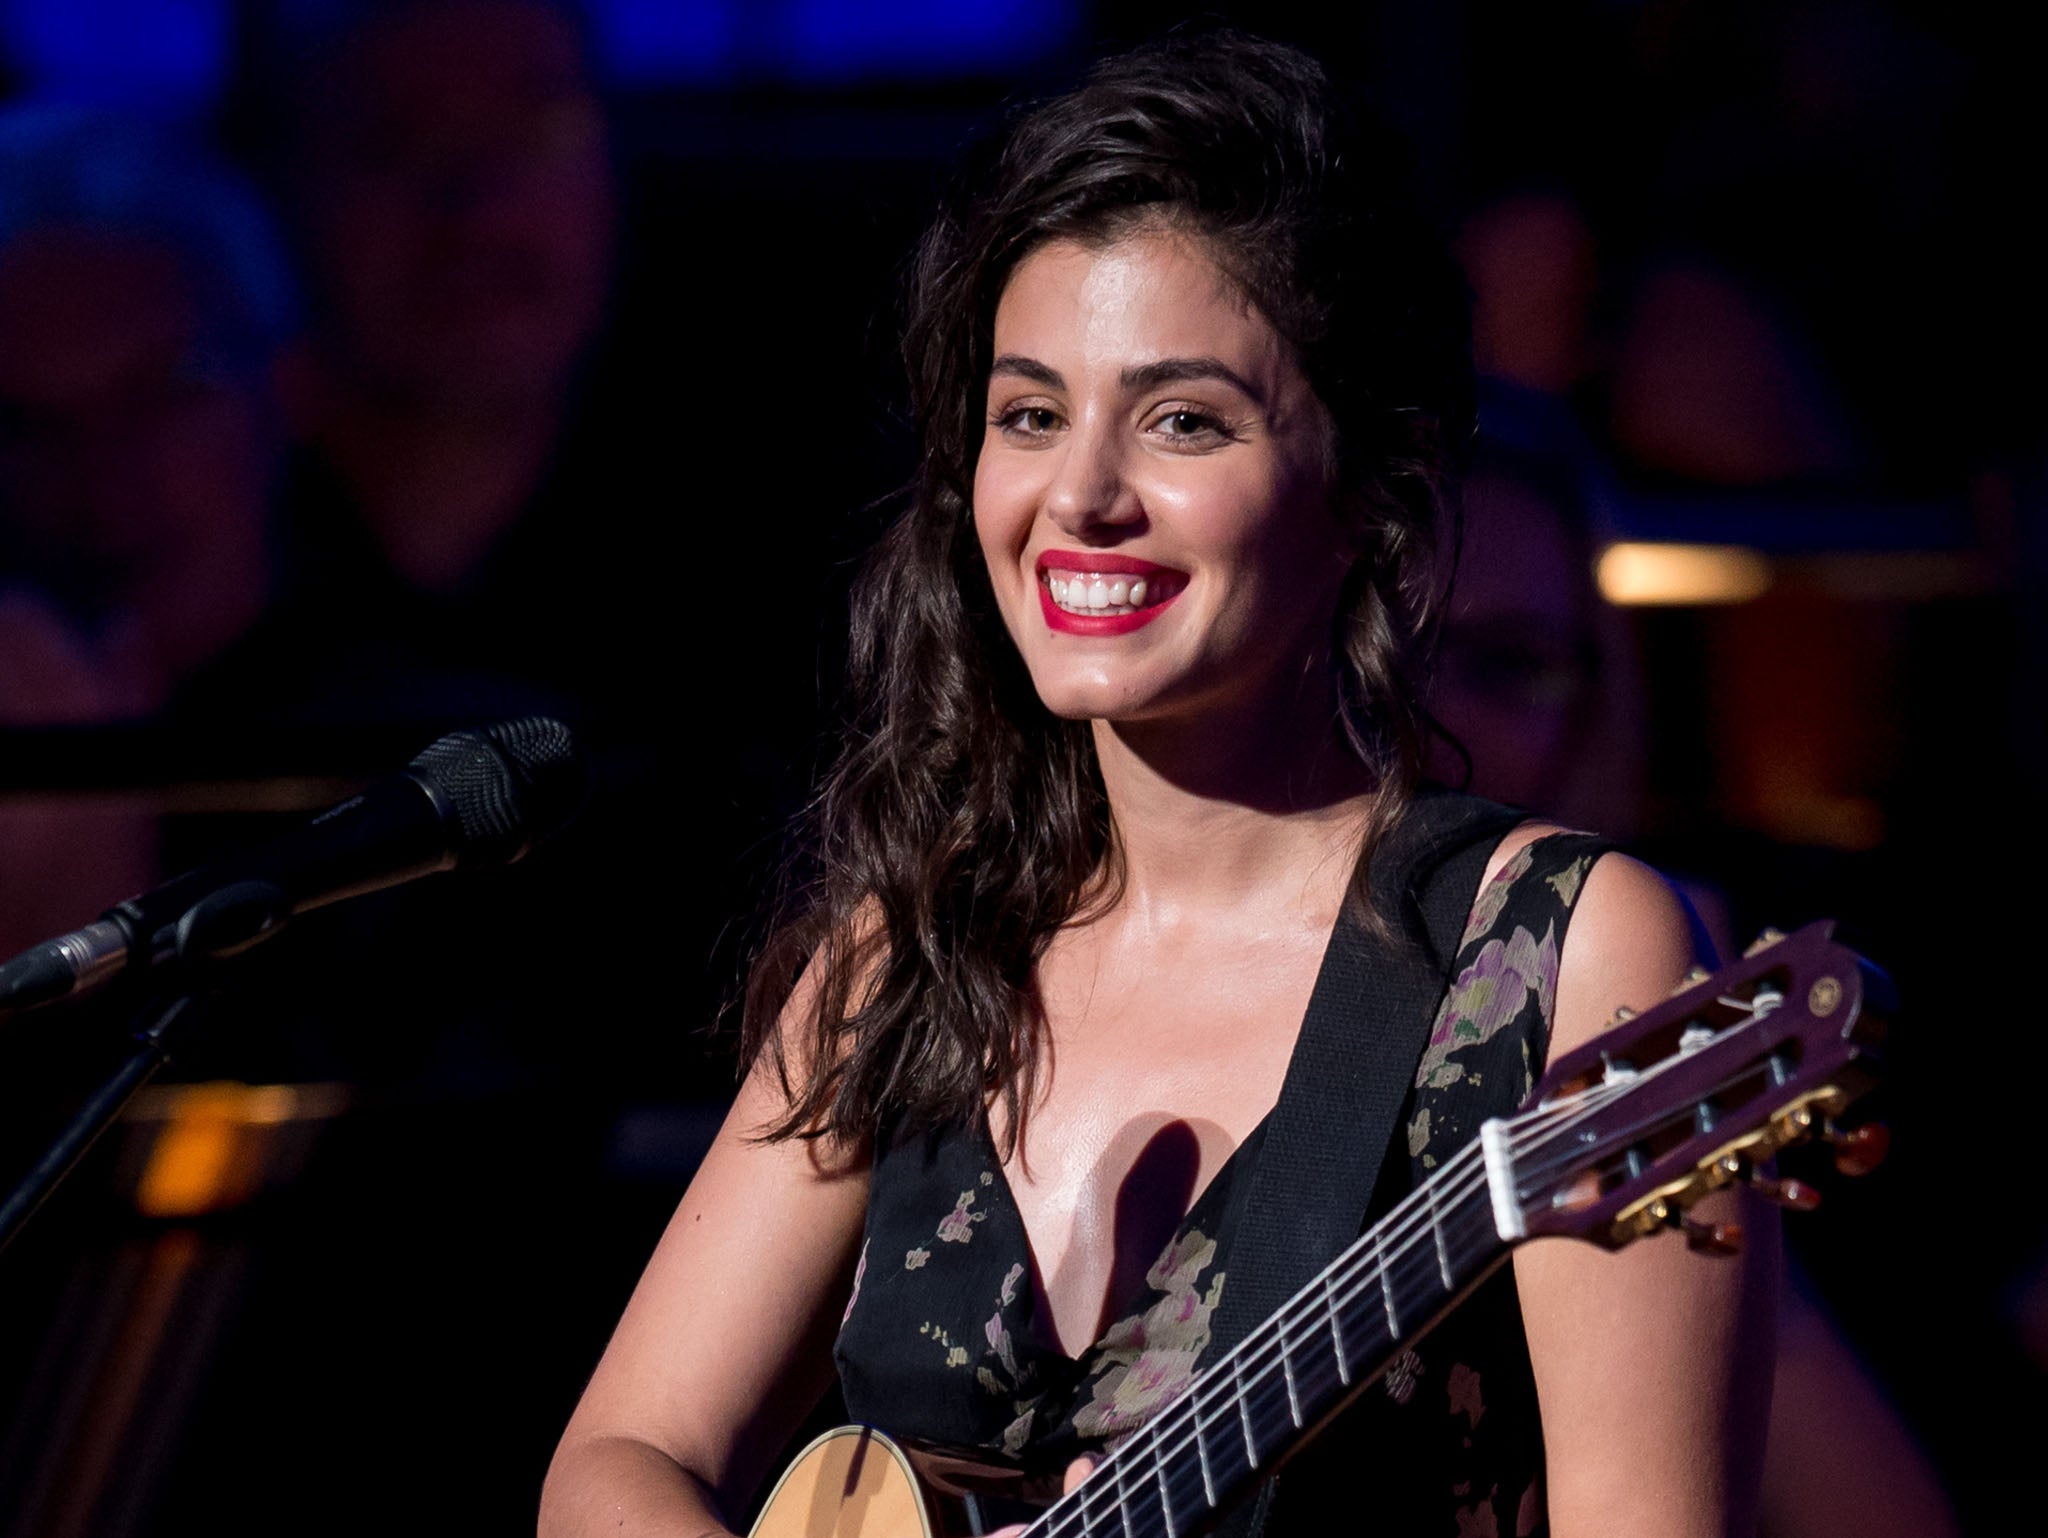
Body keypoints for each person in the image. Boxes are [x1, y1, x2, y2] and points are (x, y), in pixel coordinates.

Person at [541, 31, 1774, 1538]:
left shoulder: (1562, 961)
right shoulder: (910, 954)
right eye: (1031, 414)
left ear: (1369, 494)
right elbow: (613, 1466)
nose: (1082, 495)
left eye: (1184, 419)